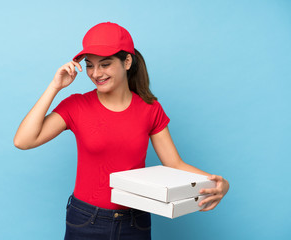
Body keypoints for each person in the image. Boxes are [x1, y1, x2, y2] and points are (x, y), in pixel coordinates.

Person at [13, 22, 229, 240]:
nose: (95, 73)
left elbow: (174, 164)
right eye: (89, 65)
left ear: (127, 61)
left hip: (135, 222)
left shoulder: (150, 109)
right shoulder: (76, 105)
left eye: (105, 64)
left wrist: (218, 184)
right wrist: (55, 86)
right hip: (86, 220)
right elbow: (23, 141)